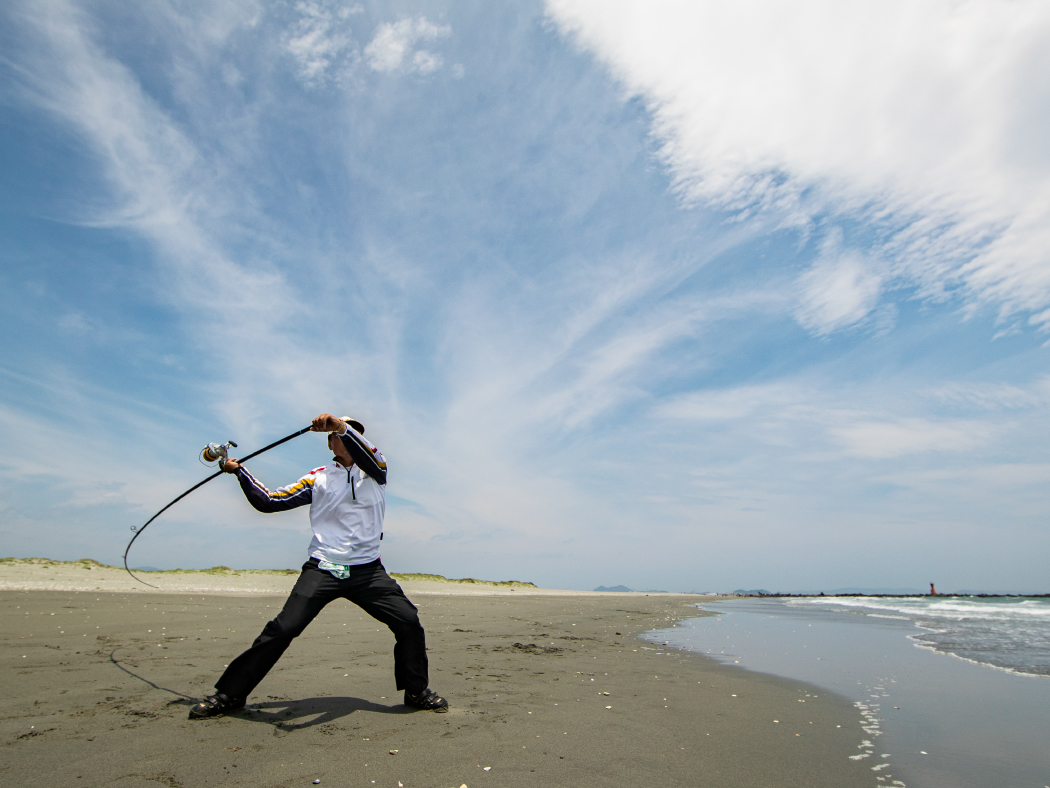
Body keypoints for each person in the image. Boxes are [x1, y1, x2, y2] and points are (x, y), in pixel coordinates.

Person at [188, 413, 448, 718]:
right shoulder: (317, 478)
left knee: (408, 621)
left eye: (353, 433)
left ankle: (416, 691)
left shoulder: (376, 470)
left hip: (368, 572)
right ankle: (230, 694)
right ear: (329, 444)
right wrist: (240, 472)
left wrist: (341, 426)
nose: (346, 438)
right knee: (283, 629)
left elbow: (362, 447)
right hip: (323, 568)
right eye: (337, 435)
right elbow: (269, 501)